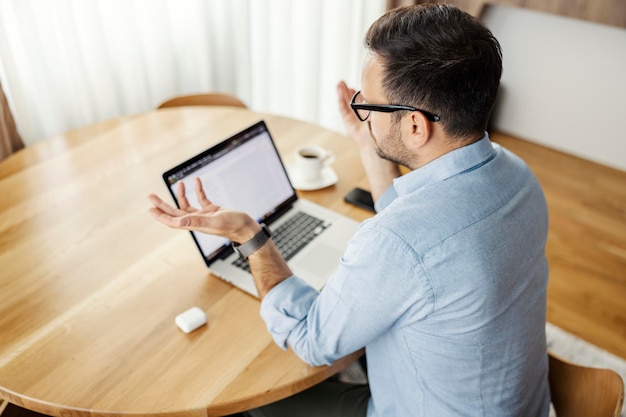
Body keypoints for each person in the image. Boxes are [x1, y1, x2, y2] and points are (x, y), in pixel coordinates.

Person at [148, 4, 550, 416]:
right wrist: (367, 142)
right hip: (516, 405)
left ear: (415, 126)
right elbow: (421, 221)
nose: (361, 110)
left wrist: (251, 236)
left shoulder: (398, 244)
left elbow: (311, 341)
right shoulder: (518, 176)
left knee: (246, 401)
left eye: (370, 106)